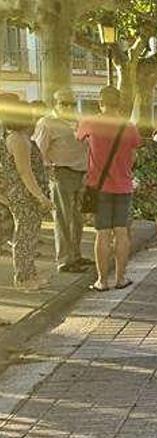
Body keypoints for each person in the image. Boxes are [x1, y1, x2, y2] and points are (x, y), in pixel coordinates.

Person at [76, 86, 141, 291]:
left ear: (100, 102)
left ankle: (101, 281)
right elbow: (135, 153)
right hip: (123, 185)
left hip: (98, 186)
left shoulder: (90, 122)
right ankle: (120, 278)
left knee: (102, 234)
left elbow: (78, 137)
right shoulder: (129, 127)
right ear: (119, 103)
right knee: (121, 233)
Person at [33, 88, 90, 273]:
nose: (68, 107)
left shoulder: (78, 121)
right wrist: (48, 171)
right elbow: (38, 152)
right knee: (63, 218)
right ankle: (65, 260)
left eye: (71, 103)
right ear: (55, 104)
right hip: (61, 173)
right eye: (63, 103)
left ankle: (76, 255)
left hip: (81, 174)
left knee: (77, 218)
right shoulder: (47, 123)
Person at [0, 93, 53, 290]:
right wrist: (40, 196)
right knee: (25, 235)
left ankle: (29, 273)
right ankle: (23, 278)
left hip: (24, 193)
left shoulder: (18, 137)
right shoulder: (18, 140)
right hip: (24, 194)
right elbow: (25, 172)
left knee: (30, 234)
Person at [132, 122, 157, 254]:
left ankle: (126, 242)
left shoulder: (134, 147)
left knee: (131, 212)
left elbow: (130, 164)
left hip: (138, 182)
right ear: (152, 132)